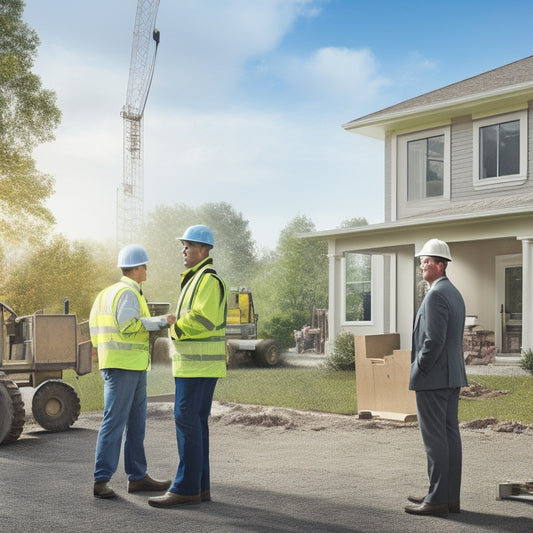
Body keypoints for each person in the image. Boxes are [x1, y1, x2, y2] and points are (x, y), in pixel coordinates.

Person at [148, 225, 227, 508]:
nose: (183, 250)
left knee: (186, 420)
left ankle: (185, 488)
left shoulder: (207, 279)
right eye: (183, 245)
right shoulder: (198, 279)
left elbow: (203, 320)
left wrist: (175, 328)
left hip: (197, 368)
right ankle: (199, 488)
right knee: (195, 424)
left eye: (188, 245)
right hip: (196, 367)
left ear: (203, 250)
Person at [90, 244, 176, 499]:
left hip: (129, 365)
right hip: (123, 367)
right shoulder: (128, 293)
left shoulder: (107, 293)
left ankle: (137, 477)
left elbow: (97, 332)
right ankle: (101, 479)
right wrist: (162, 321)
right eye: (144, 266)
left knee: (136, 424)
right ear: (136, 268)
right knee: (114, 423)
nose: (147, 270)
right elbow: (128, 326)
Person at [404, 238, 467, 516]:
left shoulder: (435, 295)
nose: (422, 266)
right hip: (452, 377)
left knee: (435, 440)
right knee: (450, 436)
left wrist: (418, 367)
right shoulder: (453, 292)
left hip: (434, 378)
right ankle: (446, 496)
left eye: (427, 261)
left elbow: (433, 342)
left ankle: (438, 499)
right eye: (422, 261)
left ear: (441, 265)